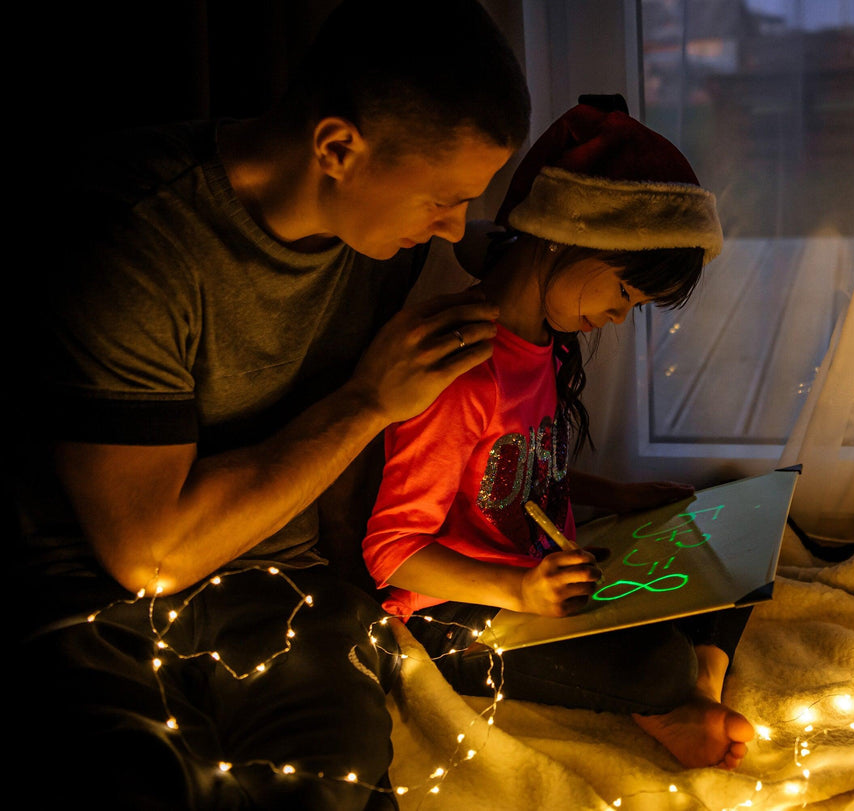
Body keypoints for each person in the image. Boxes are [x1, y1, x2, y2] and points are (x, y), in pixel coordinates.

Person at [13, 1, 529, 808]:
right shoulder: (134, 238)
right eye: (442, 199)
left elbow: (523, 276)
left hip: (283, 592)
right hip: (95, 598)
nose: (453, 227)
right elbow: (150, 557)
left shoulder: (384, 238)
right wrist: (368, 402)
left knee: (333, 786)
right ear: (336, 148)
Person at [361, 95, 757, 771]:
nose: (619, 316)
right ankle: (678, 691)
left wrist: (615, 494)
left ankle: (700, 683)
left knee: (731, 527)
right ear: (566, 234)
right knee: (656, 663)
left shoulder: (543, 338)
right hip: (458, 609)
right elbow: (392, 553)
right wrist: (519, 592)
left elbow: (506, 474)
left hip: (544, 572)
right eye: (626, 294)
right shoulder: (462, 365)